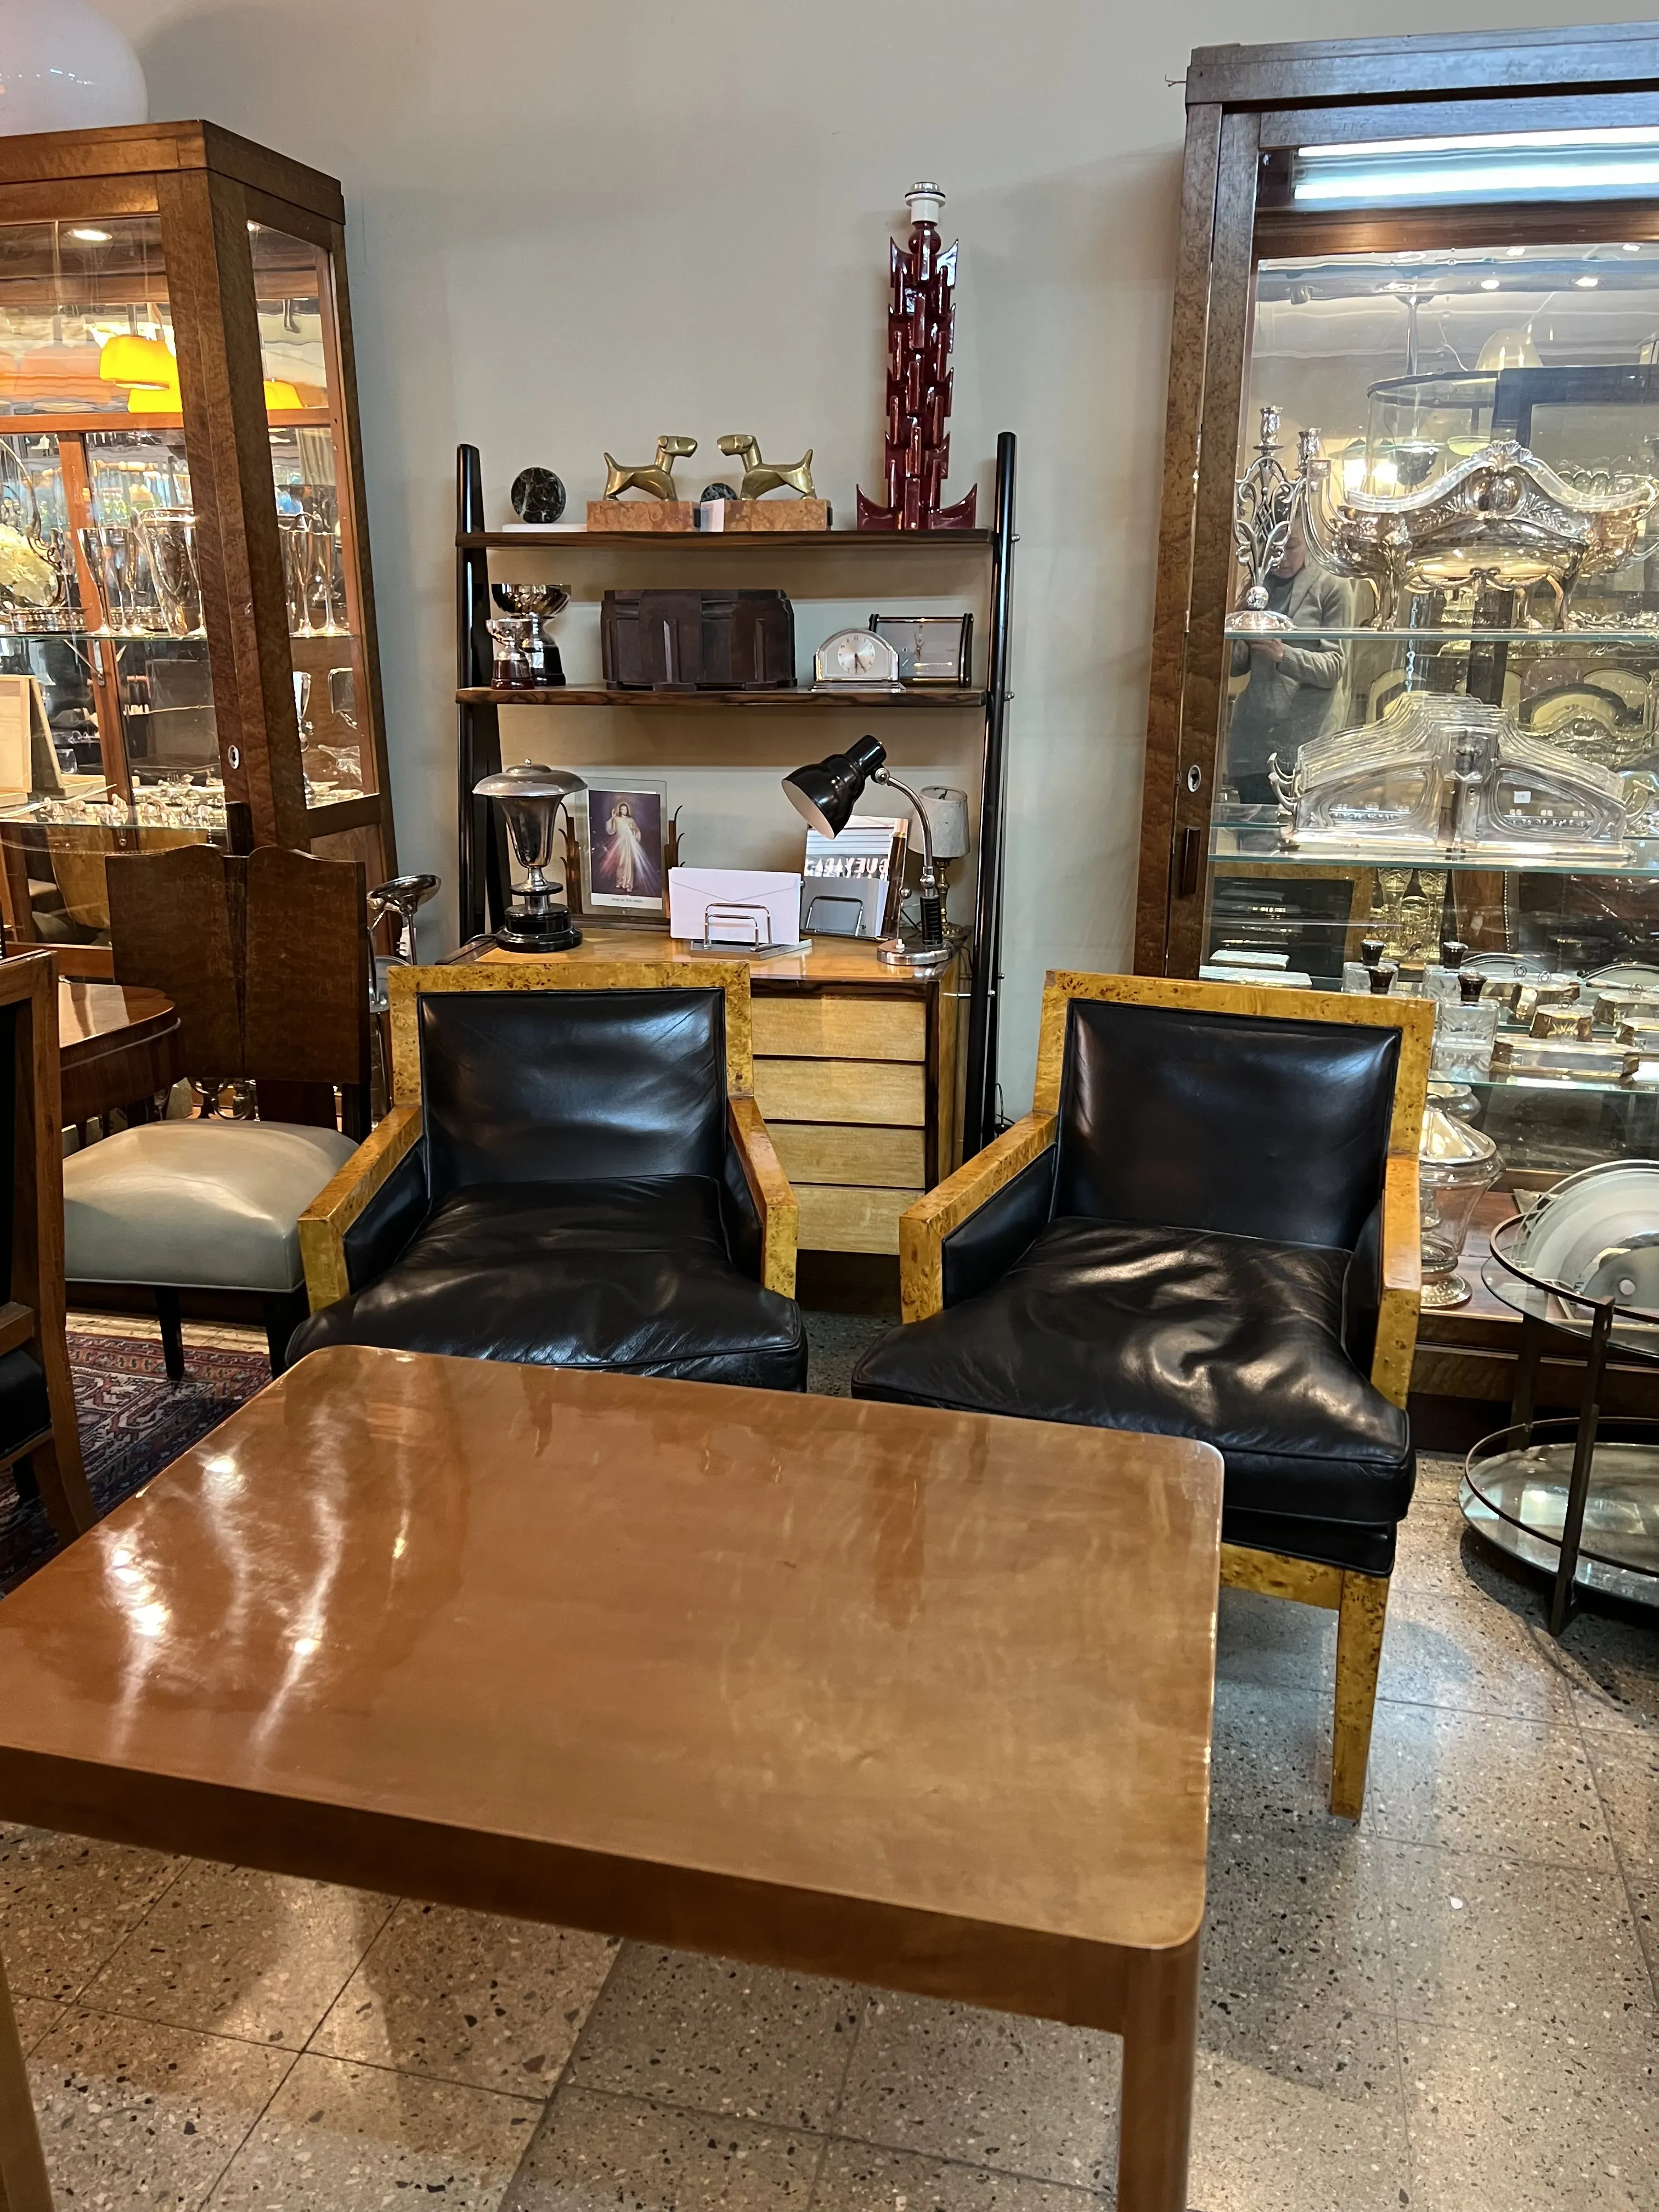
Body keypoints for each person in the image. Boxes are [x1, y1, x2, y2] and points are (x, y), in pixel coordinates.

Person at [1227, 521, 1351, 805]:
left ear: (1310, 540)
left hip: (1306, 743)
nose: (1281, 559)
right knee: (1251, 830)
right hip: (1253, 741)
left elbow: (1334, 668)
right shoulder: (1259, 584)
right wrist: (1241, 620)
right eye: (1272, 550)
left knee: (1297, 830)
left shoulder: (1332, 586)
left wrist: (1283, 654)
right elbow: (1234, 667)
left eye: (1291, 547)